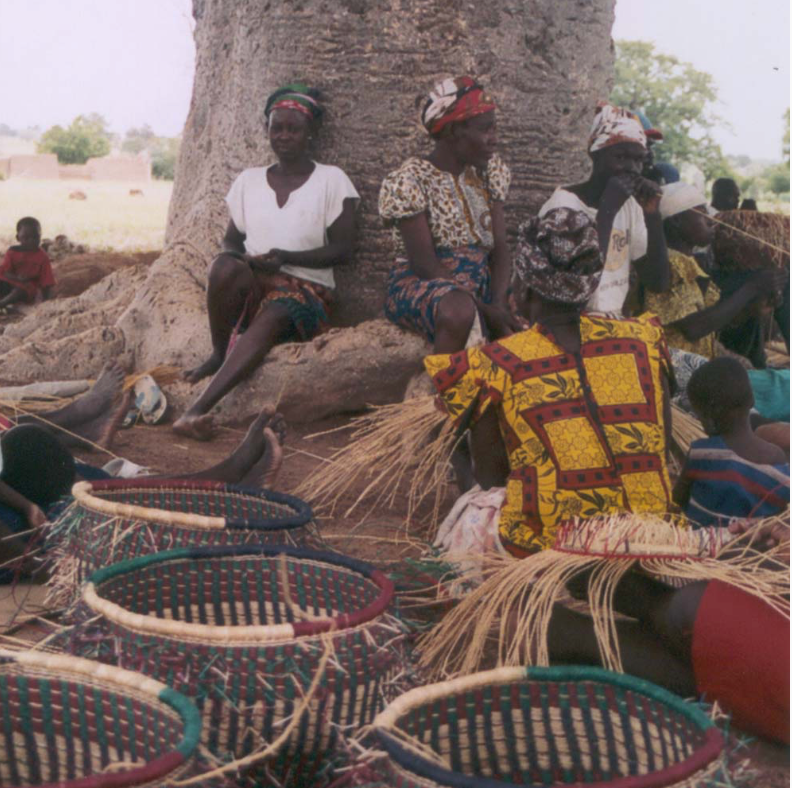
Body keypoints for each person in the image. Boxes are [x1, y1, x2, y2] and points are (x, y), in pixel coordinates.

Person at [425, 207, 675, 557]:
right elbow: (659, 448)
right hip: (653, 528)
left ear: (524, 289)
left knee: (476, 511)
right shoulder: (643, 341)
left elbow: (494, 478)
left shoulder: (491, 364)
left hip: (552, 542)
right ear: (587, 287)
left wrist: (460, 456)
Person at [176, 83, 360, 441]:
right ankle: (219, 352)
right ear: (267, 130)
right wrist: (246, 259)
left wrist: (287, 259)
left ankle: (197, 409)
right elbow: (231, 239)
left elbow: (343, 249)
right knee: (222, 266)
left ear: (311, 133)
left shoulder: (332, 180)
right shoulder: (248, 181)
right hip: (257, 279)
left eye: (294, 129)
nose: (284, 136)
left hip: (307, 290)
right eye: (277, 128)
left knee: (276, 311)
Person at [379, 76, 517, 354]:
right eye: (485, 130)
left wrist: (499, 303)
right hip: (426, 282)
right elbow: (425, 265)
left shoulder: (489, 173)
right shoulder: (411, 180)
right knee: (458, 311)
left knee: (533, 304)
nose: (494, 140)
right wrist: (486, 310)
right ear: (454, 131)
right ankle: (443, 388)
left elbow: (500, 248)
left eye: (495, 129)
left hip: (481, 281)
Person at [537, 103, 669, 315]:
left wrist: (652, 216)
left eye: (638, 160)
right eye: (621, 157)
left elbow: (658, 283)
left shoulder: (630, 207)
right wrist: (607, 210)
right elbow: (574, 289)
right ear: (595, 154)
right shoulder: (563, 205)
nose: (632, 168)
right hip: (568, 323)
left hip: (611, 321)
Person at [644, 182, 783, 363]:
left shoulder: (687, 262)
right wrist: (752, 288)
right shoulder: (670, 263)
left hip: (698, 360)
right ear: (676, 221)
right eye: (702, 214)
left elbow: (713, 323)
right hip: (679, 368)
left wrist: (753, 307)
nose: (711, 221)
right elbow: (693, 328)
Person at [672, 358, 789, 527]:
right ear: (752, 401)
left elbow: (678, 499)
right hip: (753, 547)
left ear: (708, 419)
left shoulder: (702, 453)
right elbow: (779, 516)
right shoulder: (776, 458)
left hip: (702, 544)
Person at [0, 217, 55, 311]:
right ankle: (7, 304)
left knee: (20, 291)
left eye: (35, 237)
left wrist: (46, 303)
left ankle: (2, 304)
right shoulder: (12, 252)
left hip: (27, 288)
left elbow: (47, 283)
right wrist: (17, 278)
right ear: (18, 238)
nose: (31, 241)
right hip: (10, 281)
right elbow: (5, 272)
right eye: (26, 238)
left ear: (40, 236)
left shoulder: (42, 257)